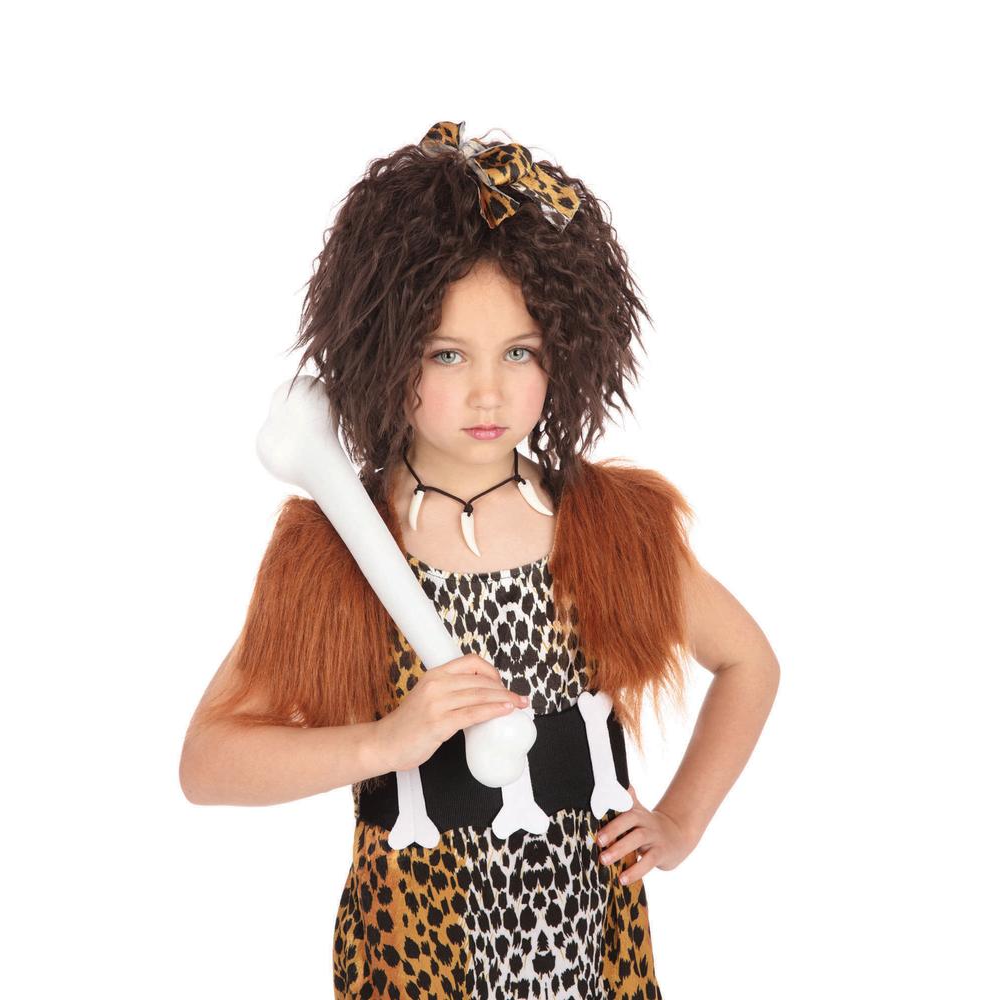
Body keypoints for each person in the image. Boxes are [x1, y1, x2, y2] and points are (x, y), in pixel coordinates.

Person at [179, 120, 780, 999]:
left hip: (591, 956)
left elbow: (748, 661)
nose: (488, 391)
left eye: (519, 352)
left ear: (564, 351)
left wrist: (682, 821)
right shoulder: (337, 551)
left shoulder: (611, 528)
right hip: (411, 959)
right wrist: (387, 741)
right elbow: (208, 763)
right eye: (447, 354)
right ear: (386, 351)